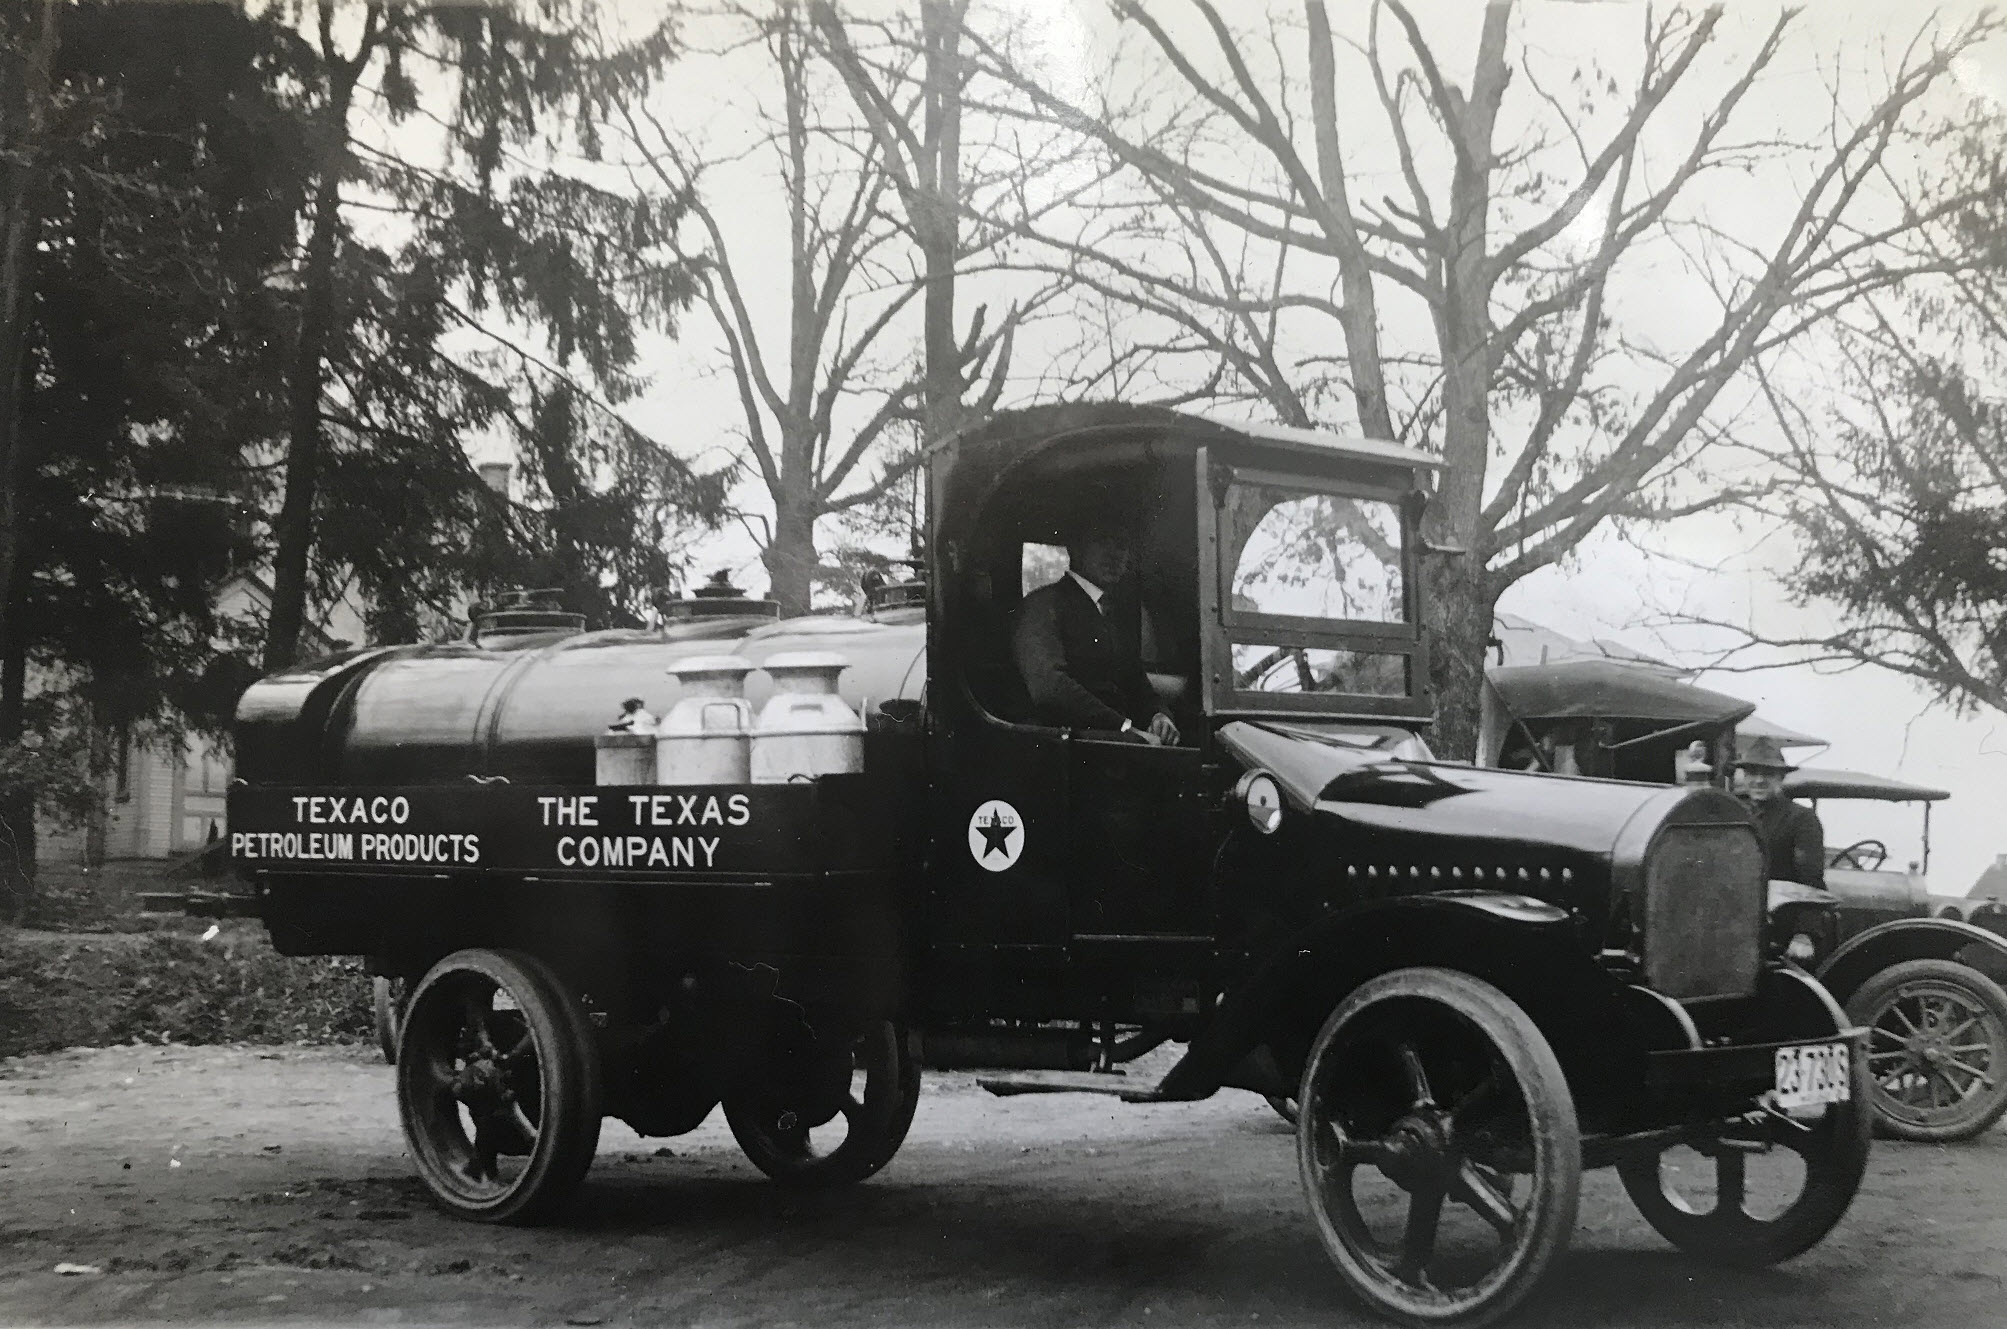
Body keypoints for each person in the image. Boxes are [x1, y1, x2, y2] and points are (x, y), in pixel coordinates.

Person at [1012, 522, 1180, 745]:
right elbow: (1050, 689)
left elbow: (1138, 684)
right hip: (1065, 749)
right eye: (1102, 541)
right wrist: (1125, 728)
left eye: (1121, 545)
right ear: (1076, 548)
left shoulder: (1113, 614)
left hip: (1112, 745)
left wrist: (1160, 715)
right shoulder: (1043, 605)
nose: (1114, 554)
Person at [1733, 735, 1825, 888]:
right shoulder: (1734, 813)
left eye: (1768, 773)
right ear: (1744, 776)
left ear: (1781, 777)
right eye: (1753, 773)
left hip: (1783, 905)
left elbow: (1810, 877)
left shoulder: (1801, 818)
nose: (1759, 780)